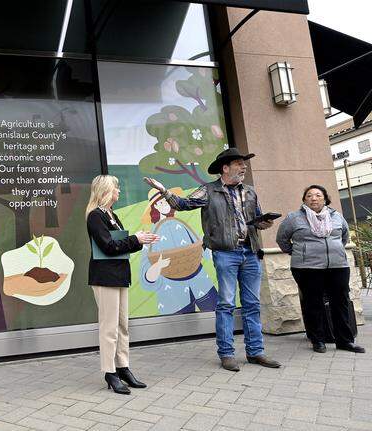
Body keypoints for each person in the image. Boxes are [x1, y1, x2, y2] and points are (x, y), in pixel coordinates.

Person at [143, 148, 281, 372]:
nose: (244, 167)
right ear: (225, 168)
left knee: (252, 304)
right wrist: (164, 191)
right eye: (238, 163)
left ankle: (255, 351)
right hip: (226, 254)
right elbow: (183, 204)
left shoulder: (250, 192)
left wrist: (263, 223)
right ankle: (226, 353)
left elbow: (256, 219)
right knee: (226, 303)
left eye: (244, 163)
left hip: (250, 252)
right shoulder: (209, 190)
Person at [86, 175, 159, 394]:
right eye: (116, 187)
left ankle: (123, 367)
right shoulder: (95, 216)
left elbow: (121, 244)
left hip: (119, 275)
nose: (119, 191)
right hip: (105, 277)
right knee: (109, 327)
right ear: (106, 190)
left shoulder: (112, 215)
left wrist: (139, 240)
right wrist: (135, 239)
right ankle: (110, 372)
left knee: (122, 326)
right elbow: (108, 246)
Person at [276, 185, 364, 354]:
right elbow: (282, 239)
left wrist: (334, 250)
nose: (314, 198)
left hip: (338, 266)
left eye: (318, 195)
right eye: (309, 196)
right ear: (304, 200)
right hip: (307, 268)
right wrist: (299, 253)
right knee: (313, 303)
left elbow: (344, 237)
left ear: (325, 198)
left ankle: (345, 341)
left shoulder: (336, 216)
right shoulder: (294, 218)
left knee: (341, 302)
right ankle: (318, 340)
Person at [139, 188, 218, 315]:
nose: (164, 204)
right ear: (154, 207)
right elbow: (146, 278)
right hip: (172, 291)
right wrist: (157, 267)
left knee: (217, 316)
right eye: (159, 202)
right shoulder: (151, 234)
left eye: (166, 201)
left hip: (201, 282)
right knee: (179, 327)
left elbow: (202, 248)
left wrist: (215, 246)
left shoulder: (181, 225)